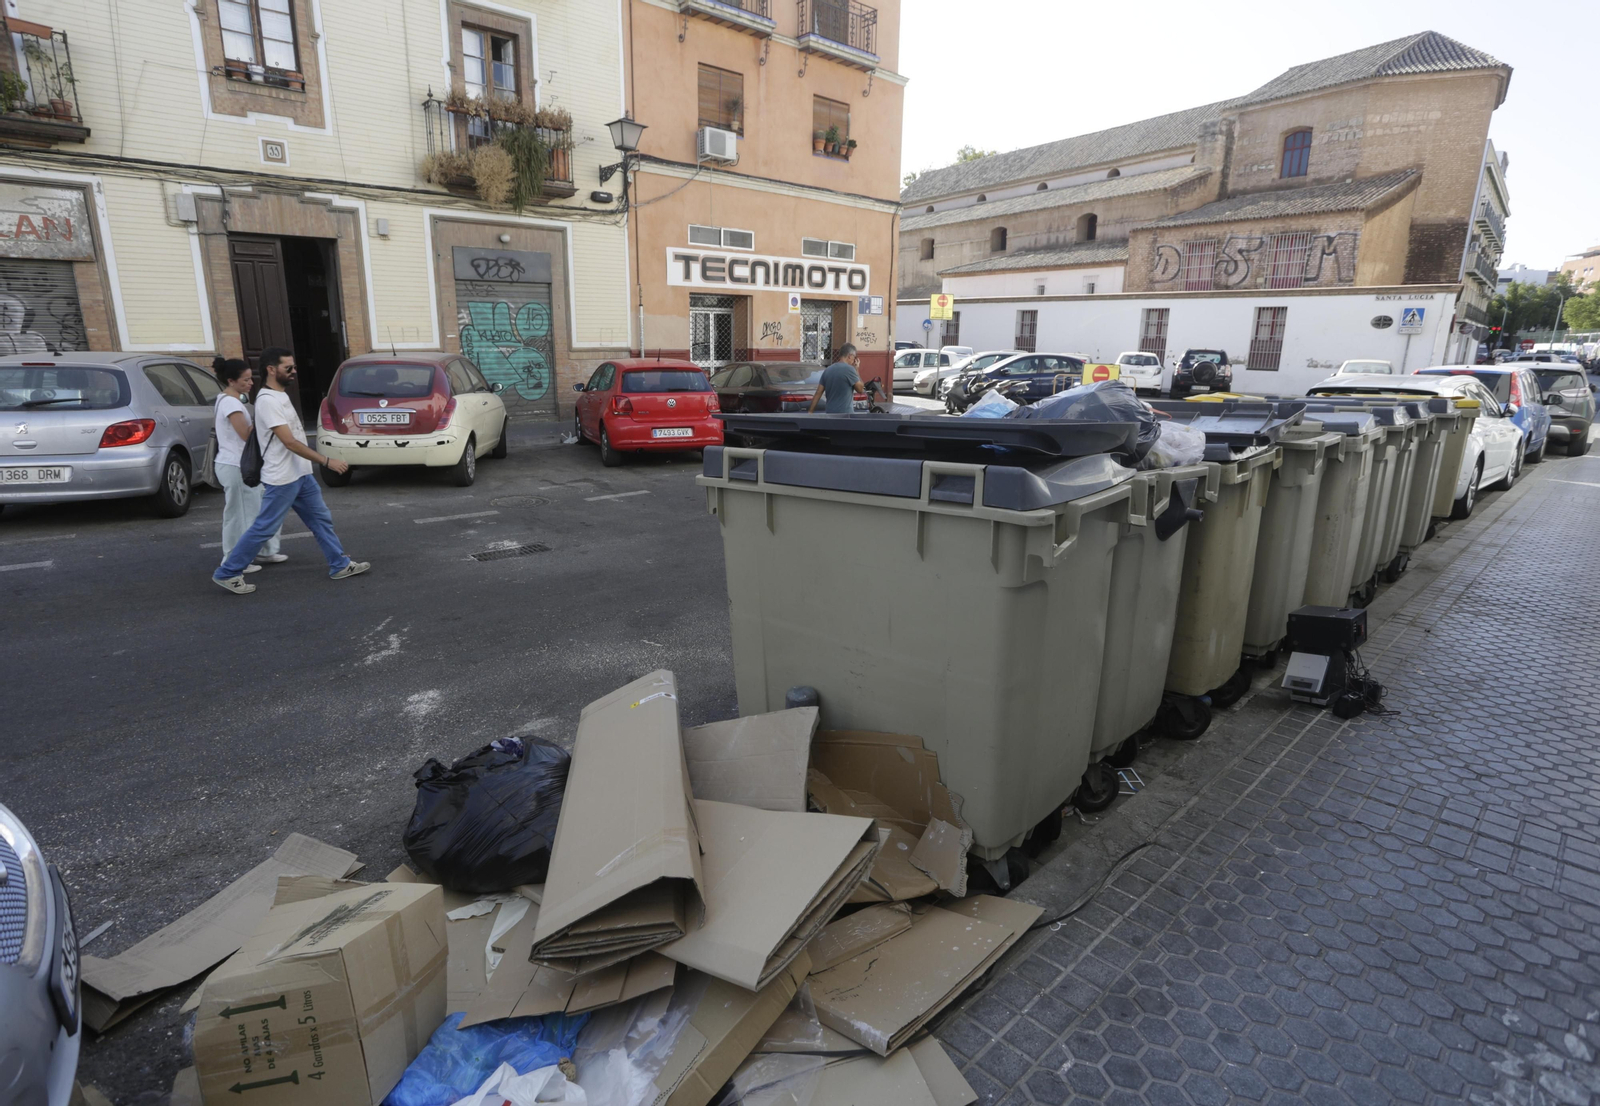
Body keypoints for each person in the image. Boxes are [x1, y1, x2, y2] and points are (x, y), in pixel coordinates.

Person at [212, 347, 369, 594]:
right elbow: (290, 441)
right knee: (264, 527)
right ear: (271, 370)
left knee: (320, 520)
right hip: (282, 477)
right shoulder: (266, 401)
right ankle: (228, 572)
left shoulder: (280, 396)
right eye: (289, 368)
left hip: (300, 474)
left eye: (293, 367)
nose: (294, 371)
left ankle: (339, 564)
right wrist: (326, 461)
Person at [211, 357, 283, 576]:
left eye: (251, 378)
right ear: (231, 380)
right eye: (246, 380)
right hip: (236, 465)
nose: (251, 383)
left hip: (238, 464)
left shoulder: (227, 399)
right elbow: (245, 435)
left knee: (260, 509)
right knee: (240, 515)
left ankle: (264, 550)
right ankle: (234, 558)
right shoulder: (231, 403)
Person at [807, 343, 865, 414]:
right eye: (854, 357)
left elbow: (818, 392)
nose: (854, 361)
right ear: (849, 356)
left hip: (830, 414)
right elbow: (860, 389)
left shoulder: (828, 370)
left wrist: (810, 412)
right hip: (845, 415)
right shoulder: (850, 370)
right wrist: (856, 369)